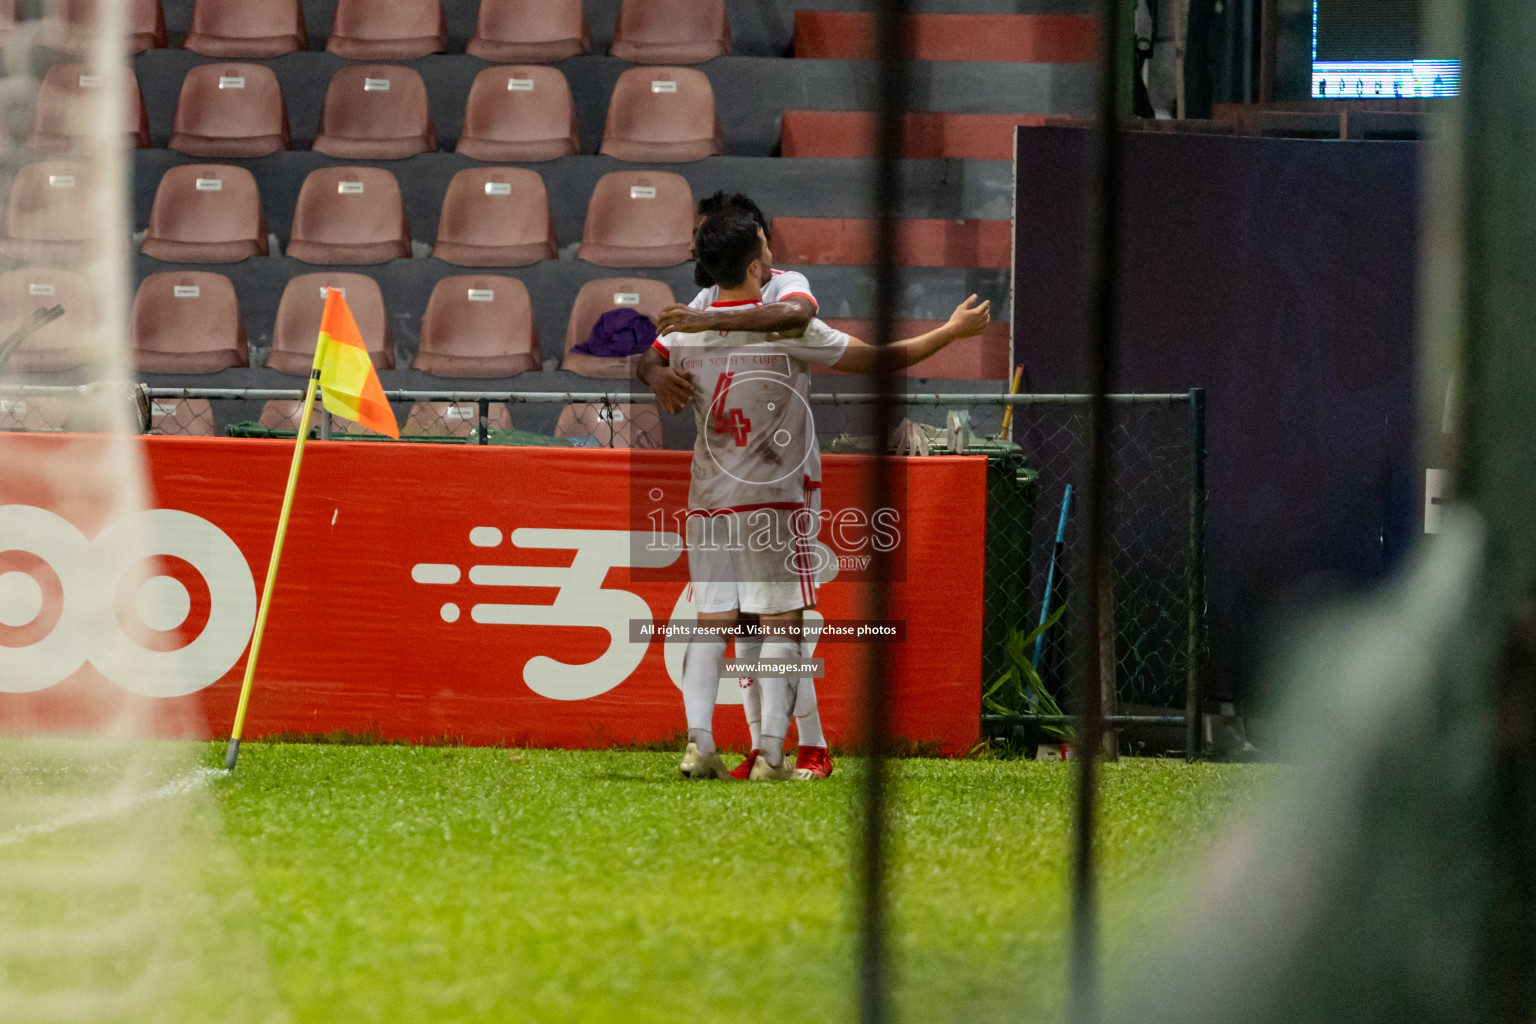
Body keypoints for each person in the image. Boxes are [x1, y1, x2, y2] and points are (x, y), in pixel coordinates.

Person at [638, 204, 990, 781]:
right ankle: (777, 753)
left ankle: (702, 744)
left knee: (713, 623)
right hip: (773, 496)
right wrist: (950, 332)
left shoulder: (686, 327)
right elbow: (878, 360)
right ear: (754, 266)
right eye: (765, 247)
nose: (774, 254)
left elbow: (651, 358)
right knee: (782, 626)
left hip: (706, 499)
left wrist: (661, 371)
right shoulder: (788, 328)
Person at [658, 192, 832, 781]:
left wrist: (704, 325)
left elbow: (794, 316)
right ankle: (778, 750)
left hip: (757, 485)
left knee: (749, 623)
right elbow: (650, 359)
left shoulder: (774, 291)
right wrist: (660, 377)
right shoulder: (703, 305)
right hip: (758, 489)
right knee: (773, 621)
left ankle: (779, 744)